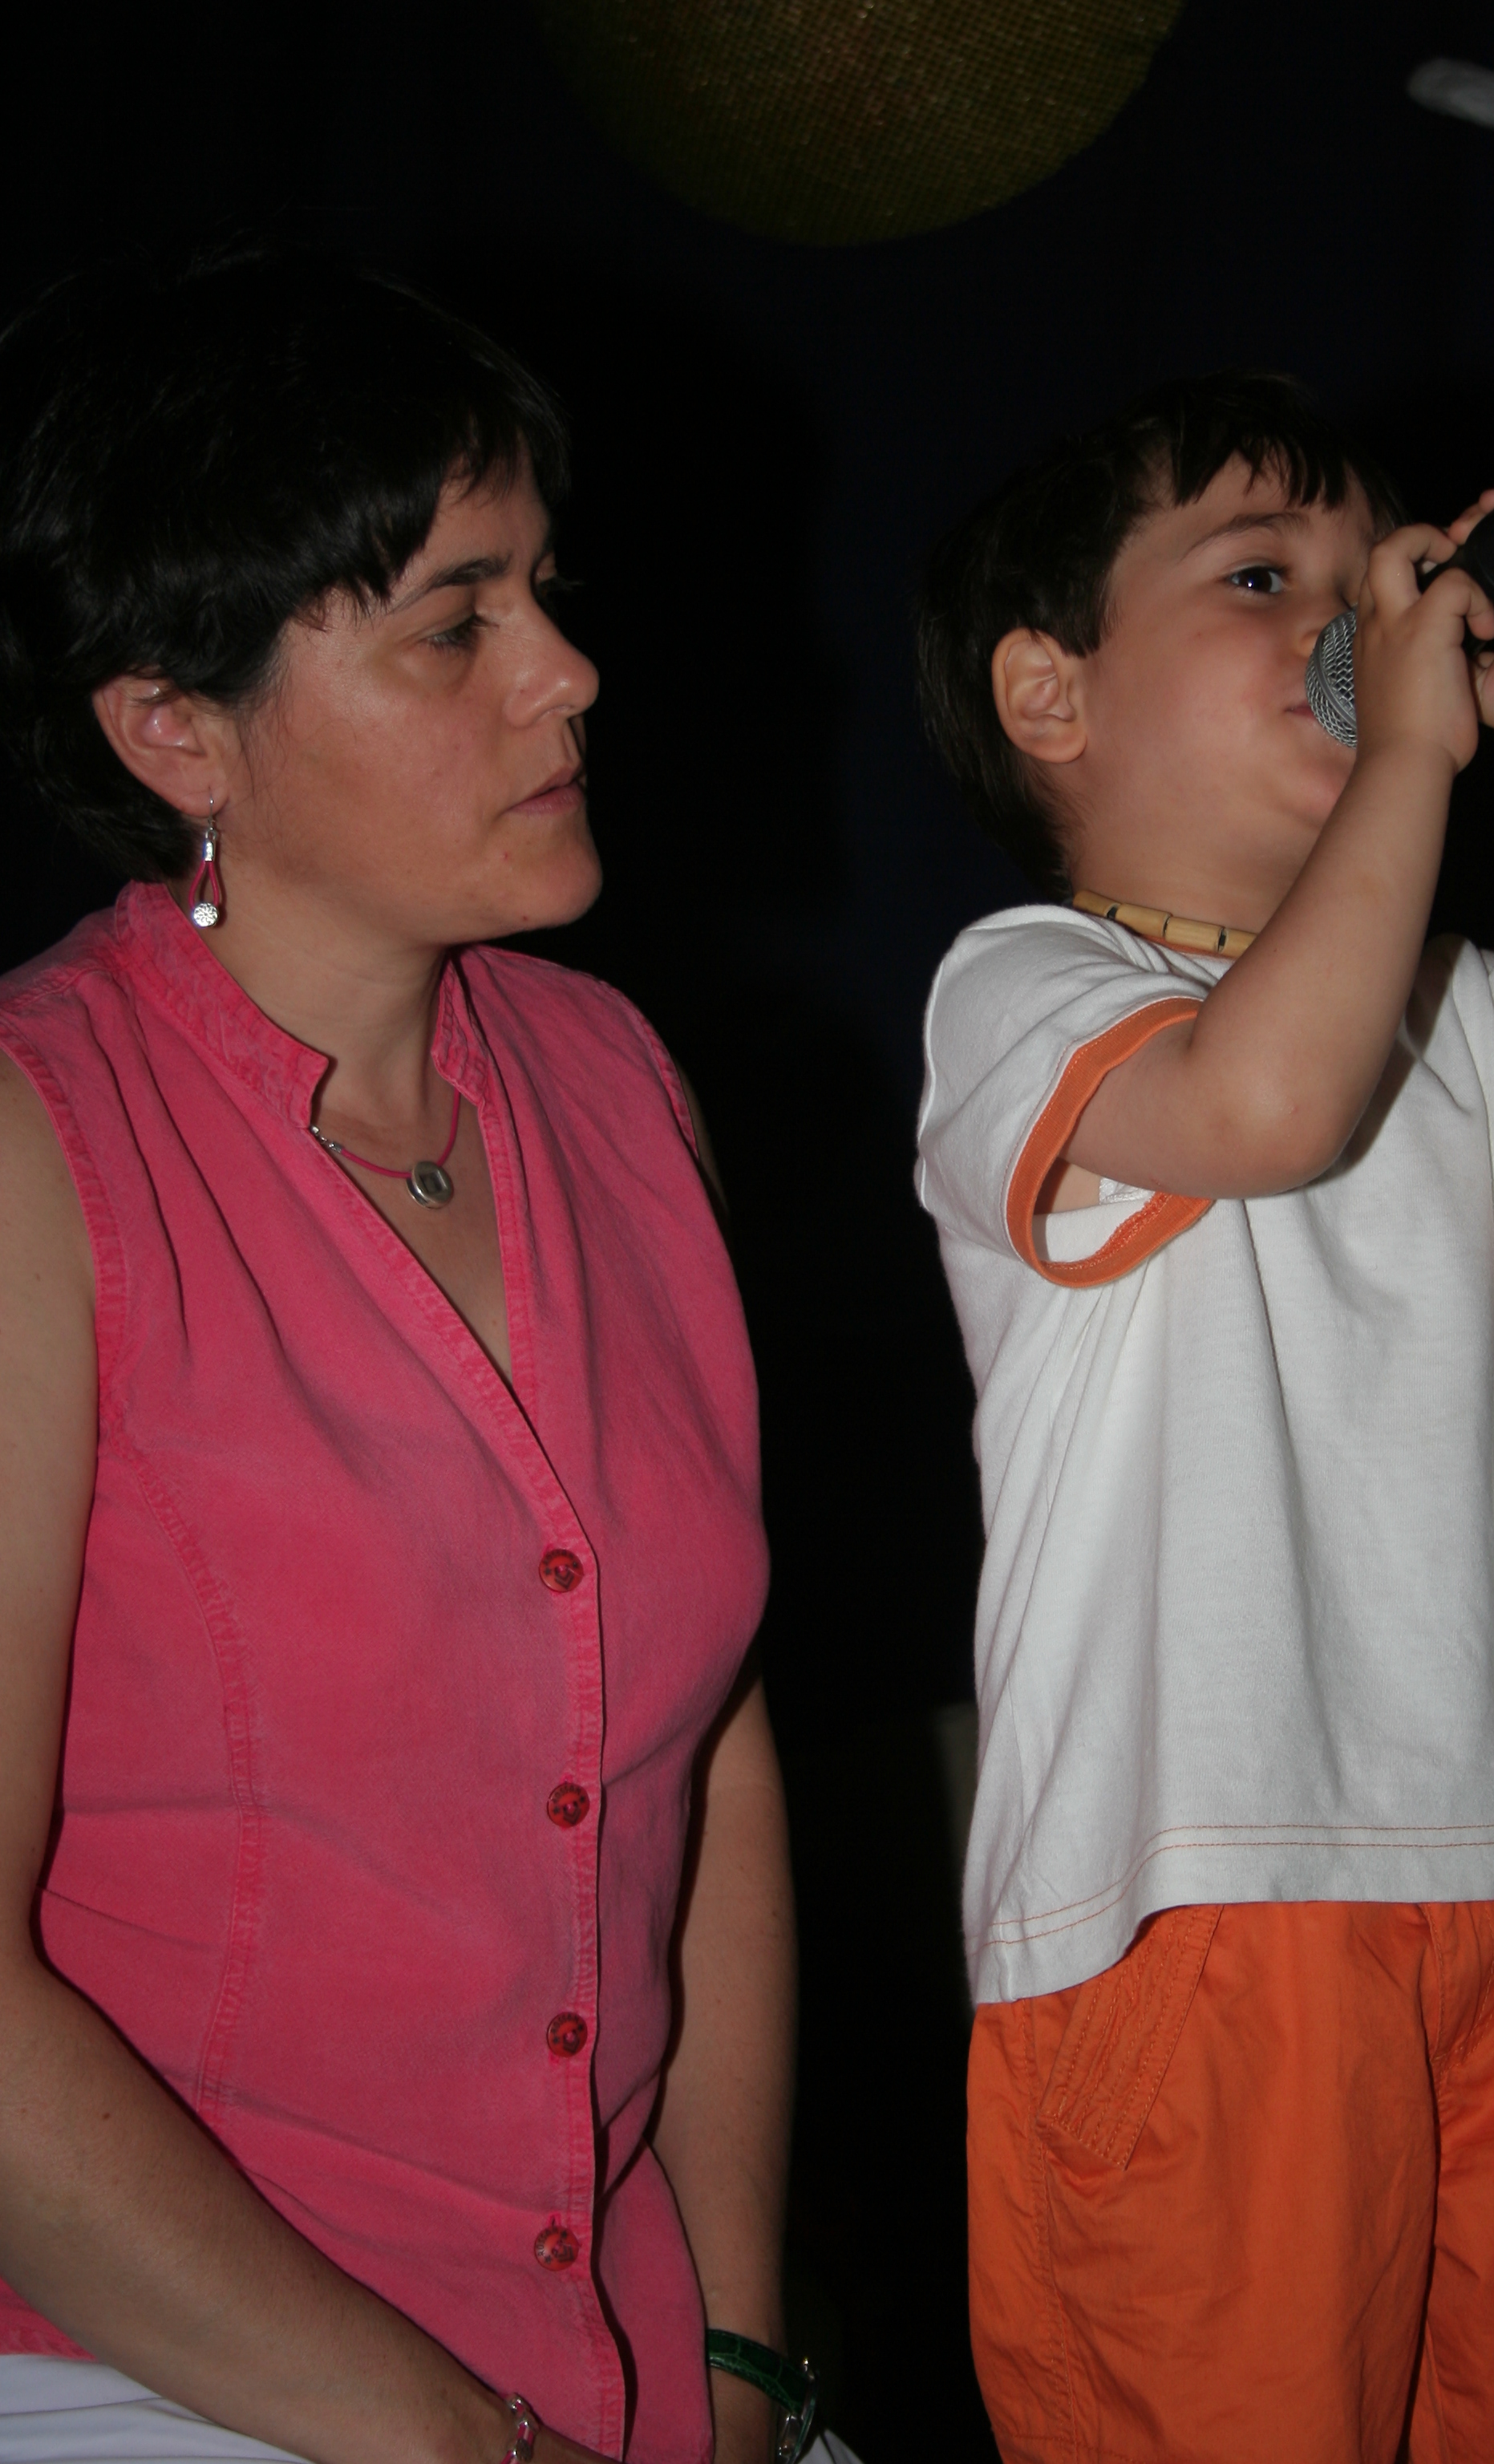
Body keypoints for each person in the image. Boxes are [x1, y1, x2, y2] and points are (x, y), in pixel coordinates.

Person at [911, 372, 1494, 2460]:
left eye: (1359, 574)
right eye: (1258, 576)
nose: (1341, 613)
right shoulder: (1028, 988)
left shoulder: (1463, 1006)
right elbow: (1265, 1107)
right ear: (1049, 693)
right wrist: (1405, 747)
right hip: (1198, 1886)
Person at [0, 249, 798, 2464]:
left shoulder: (622, 1082)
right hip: (147, 2371)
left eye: (545, 591)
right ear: (177, 729)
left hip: (634, 2367)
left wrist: (737, 2362)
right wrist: (454, 2442)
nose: (569, 673)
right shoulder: (35, 1148)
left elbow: (709, 1764)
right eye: (457, 625)